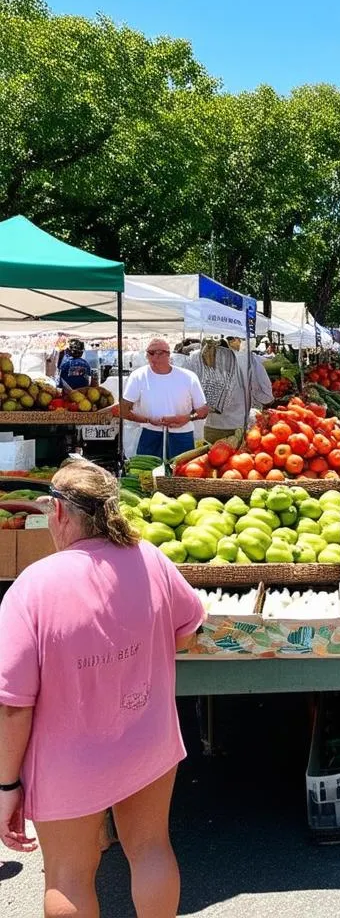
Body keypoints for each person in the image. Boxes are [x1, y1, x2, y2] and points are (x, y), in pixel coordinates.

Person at [0, 458, 205, 916]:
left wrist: (5, 783)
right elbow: (188, 630)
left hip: (68, 758)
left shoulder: (32, 587)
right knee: (151, 849)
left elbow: (12, 705)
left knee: (69, 876)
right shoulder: (150, 556)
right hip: (146, 741)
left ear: (58, 513)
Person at [121, 338, 209, 460]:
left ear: (167, 354)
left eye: (157, 353)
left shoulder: (188, 377)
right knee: (148, 475)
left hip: (182, 434)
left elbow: (203, 410)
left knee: (181, 475)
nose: (152, 357)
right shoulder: (138, 376)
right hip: (150, 433)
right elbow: (124, 409)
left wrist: (187, 418)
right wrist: (147, 420)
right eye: (149, 353)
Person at [184, 339, 245, 444]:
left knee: (213, 456)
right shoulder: (241, 361)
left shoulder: (195, 360)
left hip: (211, 426)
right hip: (237, 424)